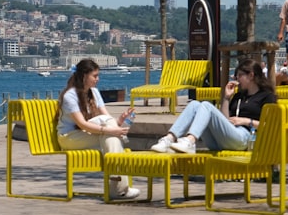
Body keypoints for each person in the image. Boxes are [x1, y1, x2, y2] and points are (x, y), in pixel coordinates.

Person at [149, 58, 276, 154]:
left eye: (240, 75)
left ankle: (190, 141)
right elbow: (226, 120)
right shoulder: (239, 96)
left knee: (205, 105)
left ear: (251, 75)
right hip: (226, 138)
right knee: (194, 104)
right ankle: (169, 139)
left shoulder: (266, 96)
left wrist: (246, 121)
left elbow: (271, 125)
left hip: (246, 137)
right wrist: (226, 98)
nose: (237, 79)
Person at [56, 59, 141, 200]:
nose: (98, 79)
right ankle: (119, 187)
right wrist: (111, 130)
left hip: (86, 134)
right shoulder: (70, 96)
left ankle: (117, 185)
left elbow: (106, 117)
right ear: (84, 76)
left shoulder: (94, 92)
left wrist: (120, 120)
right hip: (69, 137)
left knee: (111, 137)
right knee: (110, 134)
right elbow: (82, 124)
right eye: (95, 76)